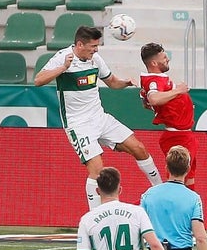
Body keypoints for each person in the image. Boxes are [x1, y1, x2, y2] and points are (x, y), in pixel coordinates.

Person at [35, 26, 163, 210]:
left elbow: (111, 82)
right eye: (93, 46)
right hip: (78, 125)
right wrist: (63, 68)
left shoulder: (95, 59)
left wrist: (125, 83)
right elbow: (38, 80)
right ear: (80, 45)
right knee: (97, 169)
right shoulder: (62, 58)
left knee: (139, 148)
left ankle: (159, 191)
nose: (96, 50)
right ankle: (96, 216)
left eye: (97, 46)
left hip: (99, 117)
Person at [140, 42, 200, 190]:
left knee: (188, 176)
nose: (168, 59)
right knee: (178, 178)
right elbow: (154, 98)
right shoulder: (154, 80)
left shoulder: (157, 79)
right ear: (154, 62)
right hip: (178, 137)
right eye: (164, 57)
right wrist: (178, 91)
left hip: (183, 136)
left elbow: (150, 101)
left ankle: (191, 209)